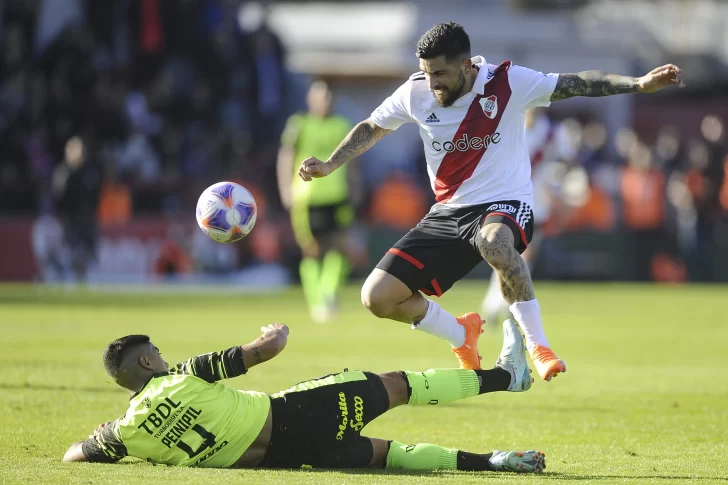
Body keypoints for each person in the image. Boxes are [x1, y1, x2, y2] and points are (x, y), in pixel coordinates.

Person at [297, 22, 684, 380]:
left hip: (505, 203)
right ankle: (460, 333)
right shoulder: (416, 92)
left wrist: (637, 84)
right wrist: (332, 164)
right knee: (376, 297)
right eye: (426, 72)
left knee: (492, 241)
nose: (431, 82)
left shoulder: (509, 82)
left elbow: (578, 82)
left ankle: (538, 344)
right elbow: (372, 127)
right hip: (448, 212)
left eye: (440, 73)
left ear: (466, 65)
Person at [62, 321, 544, 473]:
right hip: (295, 415)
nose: (164, 358)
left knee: (389, 456)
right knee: (398, 384)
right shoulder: (182, 376)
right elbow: (266, 350)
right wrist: (276, 332)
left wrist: (113, 439)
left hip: (287, 460)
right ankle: (507, 377)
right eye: (157, 354)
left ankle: (493, 463)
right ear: (146, 364)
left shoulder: (124, 433)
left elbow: (72, 456)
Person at [481, 108, 576, 326]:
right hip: (506, 196)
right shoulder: (508, 126)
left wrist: (557, 186)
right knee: (501, 250)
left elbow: (568, 162)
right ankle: (496, 302)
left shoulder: (553, 132)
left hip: (537, 199)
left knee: (527, 252)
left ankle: (507, 302)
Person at [277, 80, 356, 322]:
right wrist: (285, 189)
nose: (326, 101)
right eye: (321, 96)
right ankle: (317, 301)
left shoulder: (342, 125)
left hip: (337, 195)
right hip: (307, 197)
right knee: (311, 251)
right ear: (311, 99)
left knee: (341, 248)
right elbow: (286, 156)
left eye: (329, 97)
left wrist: (356, 187)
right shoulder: (299, 124)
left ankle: (329, 294)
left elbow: (353, 159)